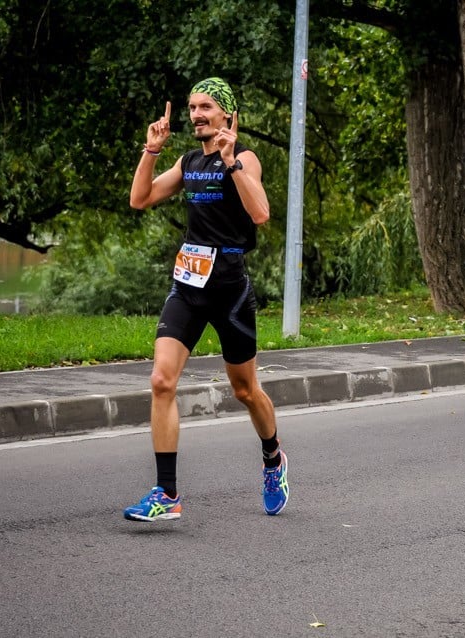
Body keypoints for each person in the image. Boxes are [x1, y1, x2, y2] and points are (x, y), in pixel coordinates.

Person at [123, 77, 288, 521]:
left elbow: (260, 213)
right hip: (188, 285)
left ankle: (273, 458)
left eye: (206, 107)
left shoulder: (245, 158)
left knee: (245, 390)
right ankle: (167, 494)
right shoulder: (189, 161)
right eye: (193, 107)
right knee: (161, 380)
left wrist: (232, 162)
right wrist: (151, 150)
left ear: (227, 115)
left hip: (230, 289)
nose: (197, 114)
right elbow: (140, 198)